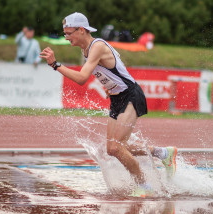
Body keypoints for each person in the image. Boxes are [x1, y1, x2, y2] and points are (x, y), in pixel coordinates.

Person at [40, 12, 177, 197]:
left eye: (68, 33)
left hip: (130, 95)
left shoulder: (96, 46)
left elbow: (82, 79)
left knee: (115, 148)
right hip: (117, 97)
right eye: (65, 33)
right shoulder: (86, 49)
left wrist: (55, 64)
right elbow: (114, 66)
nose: (66, 37)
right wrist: (109, 85)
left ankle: (144, 186)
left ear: (81, 30)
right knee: (113, 148)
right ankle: (163, 153)